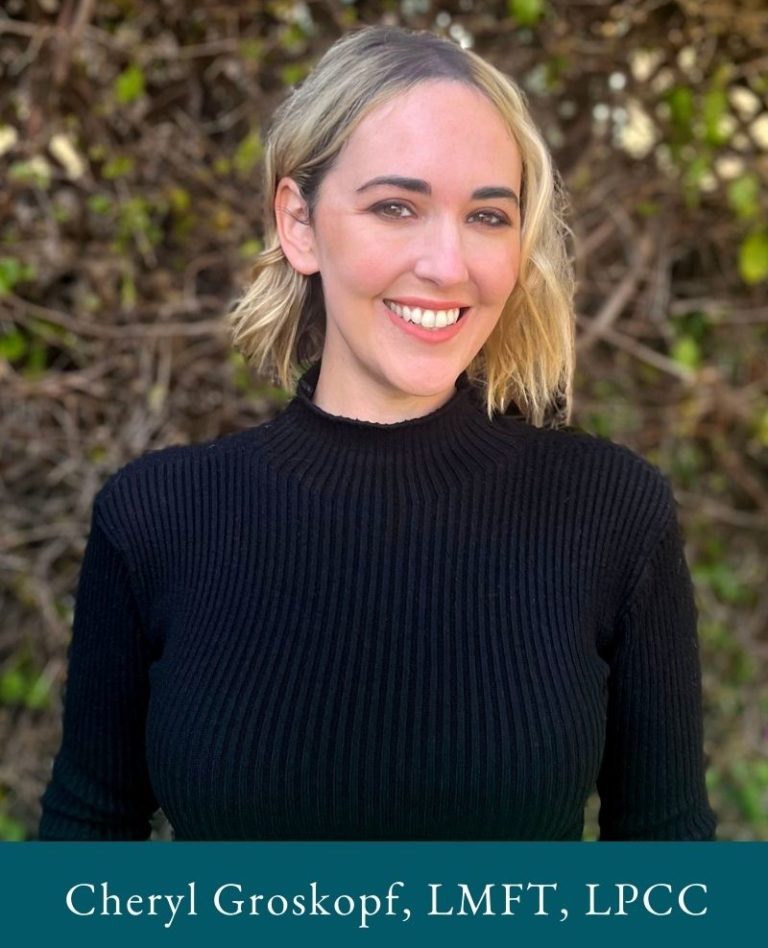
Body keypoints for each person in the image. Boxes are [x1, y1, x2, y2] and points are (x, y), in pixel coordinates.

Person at [39, 26, 716, 841]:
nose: (447, 263)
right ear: (299, 222)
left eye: (489, 216)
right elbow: (83, 854)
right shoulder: (156, 519)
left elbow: (672, 881)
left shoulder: (612, 514)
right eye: (396, 207)